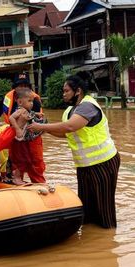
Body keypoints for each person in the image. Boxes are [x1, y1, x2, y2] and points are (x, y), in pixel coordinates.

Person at [28, 75, 120, 229]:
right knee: (87, 206)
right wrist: (45, 130)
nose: (63, 94)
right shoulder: (70, 110)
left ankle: (108, 238)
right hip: (85, 165)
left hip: (103, 162)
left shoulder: (87, 106)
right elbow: (65, 133)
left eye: (66, 91)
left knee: (104, 208)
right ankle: (91, 238)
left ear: (78, 91)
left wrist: (42, 127)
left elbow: (70, 127)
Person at [0, 73, 46, 183]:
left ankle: (39, 185)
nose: (23, 88)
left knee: (35, 164)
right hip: (13, 137)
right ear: (14, 88)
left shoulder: (34, 99)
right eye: (20, 86)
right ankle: (15, 182)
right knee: (15, 163)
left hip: (31, 138)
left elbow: (36, 119)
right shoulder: (7, 98)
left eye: (25, 85)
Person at [10, 87, 47, 185]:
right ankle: (16, 177)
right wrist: (17, 129)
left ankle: (20, 177)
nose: (32, 103)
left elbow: (31, 115)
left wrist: (38, 114)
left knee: (26, 160)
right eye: (29, 101)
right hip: (19, 141)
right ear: (20, 102)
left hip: (24, 141)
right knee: (20, 160)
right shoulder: (20, 111)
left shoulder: (27, 111)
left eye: (32, 101)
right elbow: (11, 118)